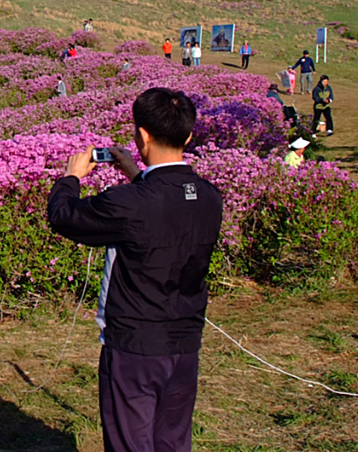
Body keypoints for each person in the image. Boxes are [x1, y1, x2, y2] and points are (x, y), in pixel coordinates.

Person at [46, 87, 222, 452]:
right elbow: (167, 204)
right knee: (172, 440)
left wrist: (70, 178)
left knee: (131, 442)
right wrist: (138, 175)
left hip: (134, 345)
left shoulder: (131, 203)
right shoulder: (209, 196)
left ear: (141, 135)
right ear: (188, 135)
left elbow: (64, 217)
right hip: (185, 341)